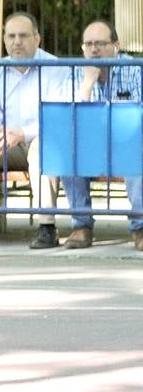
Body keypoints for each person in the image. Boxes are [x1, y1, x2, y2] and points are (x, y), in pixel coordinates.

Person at [0, 11, 67, 248]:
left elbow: (56, 117)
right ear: (4, 40)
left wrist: (23, 133)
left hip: (39, 139)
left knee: (43, 145)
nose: (16, 42)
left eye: (23, 36)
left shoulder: (55, 68)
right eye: (11, 36)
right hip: (6, 144)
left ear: (37, 39)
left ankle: (47, 227)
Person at [57, 20, 143, 250]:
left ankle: (140, 227)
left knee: (138, 150)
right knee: (68, 150)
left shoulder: (135, 69)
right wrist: (87, 85)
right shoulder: (76, 73)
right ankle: (82, 226)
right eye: (89, 44)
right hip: (91, 145)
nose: (94, 49)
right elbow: (68, 121)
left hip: (128, 140)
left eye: (100, 43)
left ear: (116, 45)